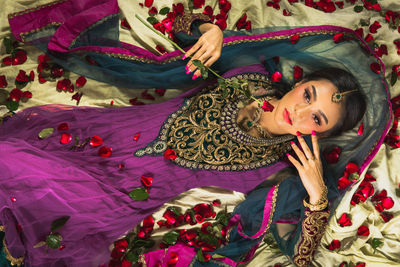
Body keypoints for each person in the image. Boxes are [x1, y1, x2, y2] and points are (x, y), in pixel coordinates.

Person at [1, 0, 391, 266]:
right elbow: (184, 26)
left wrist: (319, 198)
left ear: (319, 134)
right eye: (308, 95)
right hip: (94, 136)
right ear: (299, 81)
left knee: (22, 183)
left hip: (115, 198)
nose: (301, 111)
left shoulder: (288, 168)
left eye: (317, 119)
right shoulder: (249, 70)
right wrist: (211, 29)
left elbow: (301, 257)